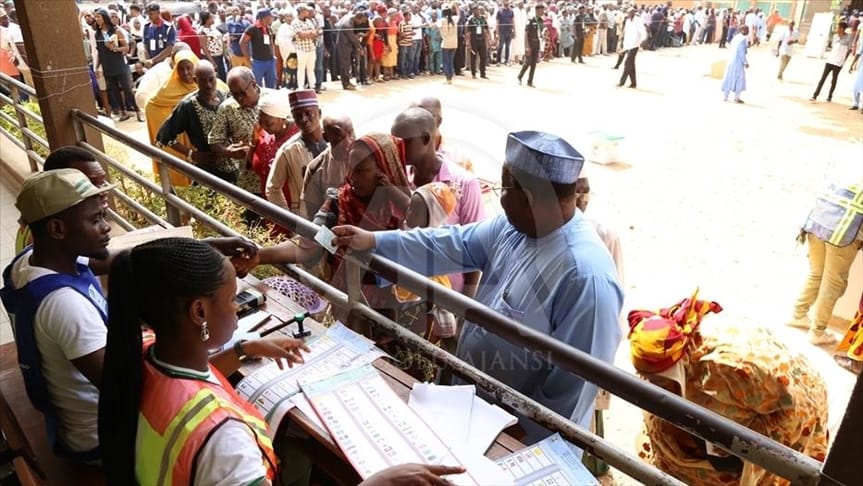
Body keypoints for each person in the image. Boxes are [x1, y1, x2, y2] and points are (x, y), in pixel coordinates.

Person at [331, 131, 624, 447]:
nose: (499, 198)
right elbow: (451, 244)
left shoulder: (586, 277)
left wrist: (513, 437)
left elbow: (572, 391)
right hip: (476, 414)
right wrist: (373, 241)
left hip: (519, 442)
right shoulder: (514, 227)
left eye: (503, 189)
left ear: (529, 197)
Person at [98, 237, 464, 486]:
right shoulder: (225, 440)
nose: (237, 308)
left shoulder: (143, 354)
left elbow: (185, 386)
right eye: (230, 299)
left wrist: (247, 350)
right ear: (199, 311)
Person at [629, 291, 828, 485]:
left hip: (792, 405)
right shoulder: (682, 353)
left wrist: (743, 447)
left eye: (659, 381)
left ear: (675, 368)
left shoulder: (728, 370)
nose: (648, 383)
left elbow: (791, 407)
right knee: (664, 431)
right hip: (753, 395)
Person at [391, 107, 484, 297]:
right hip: (405, 293)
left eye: (404, 142)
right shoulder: (397, 182)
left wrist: (465, 307)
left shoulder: (464, 183)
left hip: (448, 296)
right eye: (394, 142)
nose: (396, 148)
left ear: (426, 139)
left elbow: (476, 246)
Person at [787, 180, 863, 345]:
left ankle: (798, 315)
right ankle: (817, 332)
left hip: (817, 224)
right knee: (833, 283)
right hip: (842, 235)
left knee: (816, 273)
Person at [14, 147, 109, 254]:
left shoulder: (37, 218)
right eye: (87, 184)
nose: (103, 191)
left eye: (102, 182)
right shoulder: (42, 237)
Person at [156, 60, 229, 181]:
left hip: (234, 169)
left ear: (216, 76)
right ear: (195, 81)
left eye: (211, 79)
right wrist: (192, 154)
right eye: (203, 81)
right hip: (208, 171)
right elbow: (164, 136)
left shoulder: (225, 97)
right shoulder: (188, 106)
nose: (208, 85)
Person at [265, 89, 326, 219]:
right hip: (306, 220)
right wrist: (290, 219)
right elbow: (272, 188)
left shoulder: (334, 141)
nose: (304, 119)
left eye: (308, 113)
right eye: (298, 115)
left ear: (319, 113)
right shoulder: (288, 151)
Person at [146, 50, 200, 187]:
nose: (186, 72)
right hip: (182, 145)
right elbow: (151, 105)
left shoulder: (207, 81)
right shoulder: (169, 90)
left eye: (189, 67)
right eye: (181, 69)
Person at [209, 67, 265, 192]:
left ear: (254, 85)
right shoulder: (227, 108)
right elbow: (214, 141)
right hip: (251, 185)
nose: (239, 98)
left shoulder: (272, 100)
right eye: (235, 95)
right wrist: (228, 151)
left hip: (279, 183)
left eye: (242, 93)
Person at [302, 113, 355, 218]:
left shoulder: (369, 159)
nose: (348, 142)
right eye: (340, 137)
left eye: (351, 133)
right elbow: (313, 215)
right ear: (326, 137)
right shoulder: (316, 168)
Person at [94, 9, 142, 122]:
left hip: (119, 64)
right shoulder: (98, 33)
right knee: (114, 89)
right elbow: (99, 52)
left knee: (126, 88)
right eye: (96, 17)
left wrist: (115, 49)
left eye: (98, 17)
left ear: (104, 18)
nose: (97, 19)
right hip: (107, 65)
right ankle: (123, 112)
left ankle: (137, 110)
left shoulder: (116, 31)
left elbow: (126, 47)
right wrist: (97, 66)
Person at [811, 22, 851, 103]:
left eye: (839, 28)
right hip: (830, 60)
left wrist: (843, 61)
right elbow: (833, 47)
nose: (838, 29)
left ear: (843, 29)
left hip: (838, 63)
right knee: (822, 78)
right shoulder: (835, 36)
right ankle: (815, 95)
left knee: (833, 80)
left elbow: (849, 50)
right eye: (837, 28)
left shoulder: (848, 38)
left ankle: (829, 96)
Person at [241, 8, 277, 88]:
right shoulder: (252, 28)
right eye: (271, 17)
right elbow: (242, 43)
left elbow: (271, 42)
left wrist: (273, 55)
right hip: (258, 62)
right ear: (265, 18)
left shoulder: (268, 28)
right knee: (257, 87)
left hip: (270, 61)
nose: (272, 19)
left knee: (271, 86)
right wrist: (248, 59)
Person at [517, 3, 544, 88]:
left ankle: (530, 81)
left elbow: (540, 33)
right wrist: (527, 46)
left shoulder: (541, 21)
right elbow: (526, 33)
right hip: (530, 43)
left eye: (543, 10)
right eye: (541, 10)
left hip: (537, 43)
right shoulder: (531, 20)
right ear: (537, 10)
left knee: (534, 63)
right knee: (527, 62)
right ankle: (519, 77)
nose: (542, 12)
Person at [721, 25, 749, 103]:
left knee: (729, 78)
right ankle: (736, 98)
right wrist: (745, 63)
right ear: (742, 30)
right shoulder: (742, 39)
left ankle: (725, 97)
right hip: (738, 62)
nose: (748, 31)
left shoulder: (735, 38)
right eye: (747, 30)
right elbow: (741, 53)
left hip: (731, 60)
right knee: (739, 79)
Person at [142, 2, 175, 67]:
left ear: (158, 13)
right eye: (148, 14)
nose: (149, 16)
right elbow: (145, 47)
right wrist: (149, 61)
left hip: (165, 63)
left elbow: (169, 49)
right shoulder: (147, 27)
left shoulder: (168, 28)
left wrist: (153, 60)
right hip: (151, 63)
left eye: (151, 14)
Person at [617, 8, 643, 89]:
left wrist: (642, 41)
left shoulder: (638, 20)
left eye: (631, 12)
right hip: (628, 44)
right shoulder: (628, 21)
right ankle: (633, 83)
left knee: (627, 63)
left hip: (635, 45)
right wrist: (622, 42)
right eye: (628, 13)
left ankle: (621, 82)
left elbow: (642, 31)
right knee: (631, 64)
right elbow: (626, 32)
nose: (629, 14)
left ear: (634, 13)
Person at [466, 6, 489, 79]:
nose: (478, 11)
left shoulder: (482, 18)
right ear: (473, 11)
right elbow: (468, 32)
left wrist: (488, 41)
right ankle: (473, 74)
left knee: (483, 57)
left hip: (481, 40)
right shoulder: (470, 19)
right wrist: (468, 43)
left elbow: (486, 29)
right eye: (476, 10)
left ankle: (483, 73)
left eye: (478, 10)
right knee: (473, 57)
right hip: (474, 40)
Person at [440, 4, 458, 84]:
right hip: (454, 43)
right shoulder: (454, 19)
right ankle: (450, 77)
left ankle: (448, 77)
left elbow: (433, 25)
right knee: (450, 61)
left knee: (445, 61)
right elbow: (459, 13)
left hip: (446, 43)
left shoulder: (442, 20)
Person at [851, 29, 863, 113]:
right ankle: (855, 104)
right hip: (861, 66)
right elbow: (858, 53)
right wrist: (852, 64)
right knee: (856, 86)